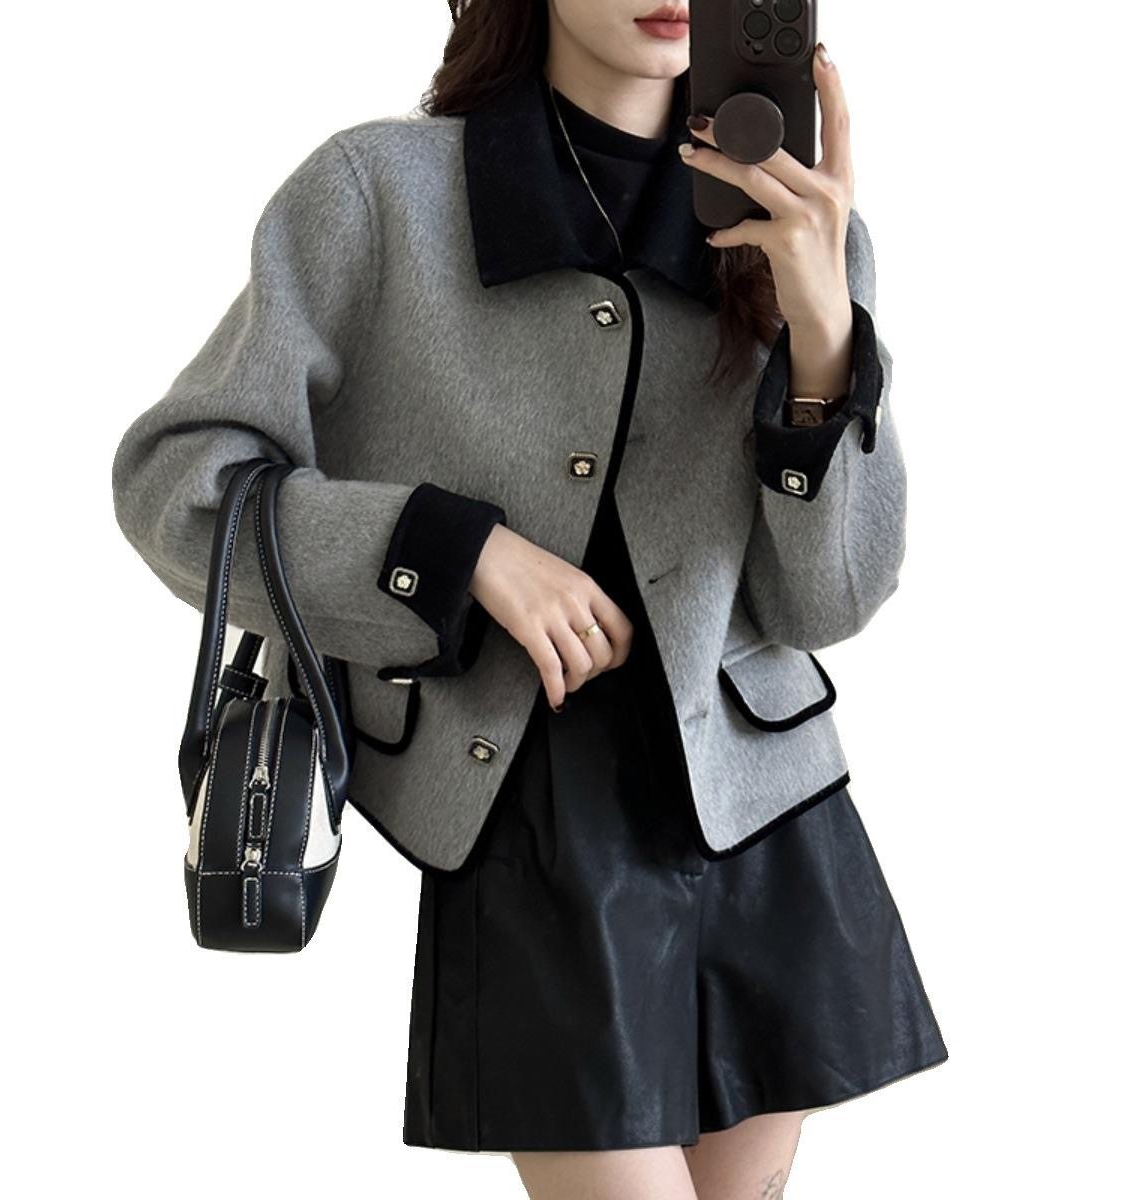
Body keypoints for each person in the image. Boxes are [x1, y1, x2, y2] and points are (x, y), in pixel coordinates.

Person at [111, 2, 947, 1196]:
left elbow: (829, 600)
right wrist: (453, 553)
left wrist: (823, 331)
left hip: (763, 814)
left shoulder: (802, 226)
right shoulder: (378, 195)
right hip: (530, 823)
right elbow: (179, 487)